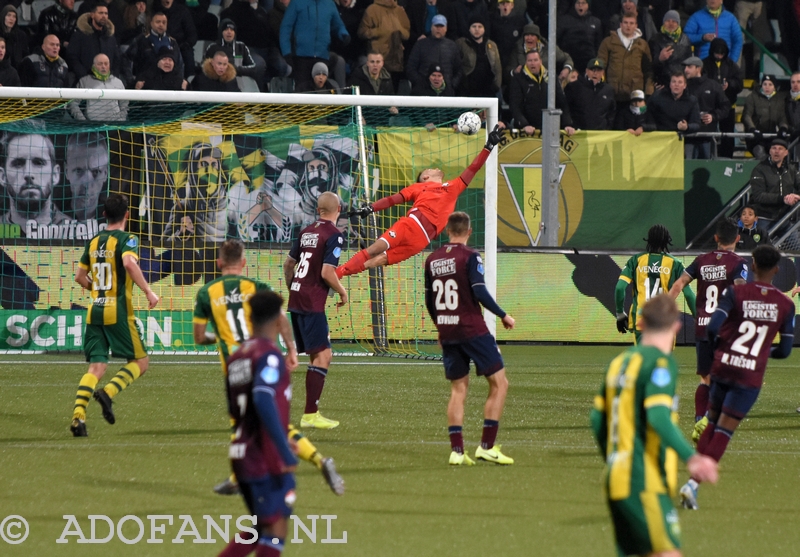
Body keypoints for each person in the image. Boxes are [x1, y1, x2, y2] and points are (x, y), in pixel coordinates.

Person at [194, 238, 344, 496]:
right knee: (264, 418)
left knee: (247, 423)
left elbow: (198, 337)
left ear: (219, 262)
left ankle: (248, 476)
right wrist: (292, 348)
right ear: (243, 262)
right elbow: (280, 317)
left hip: (238, 367)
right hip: (266, 358)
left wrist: (216, 337)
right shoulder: (256, 287)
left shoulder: (207, 292)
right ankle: (315, 461)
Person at [591, 294, 719, 556]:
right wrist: (692, 458)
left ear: (642, 323)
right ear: (676, 326)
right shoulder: (661, 363)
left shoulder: (619, 362)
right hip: (642, 479)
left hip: (616, 476)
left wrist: (614, 457)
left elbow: (597, 420)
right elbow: (658, 416)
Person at [679, 245, 793, 510]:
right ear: (776, 269)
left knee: (711, 423)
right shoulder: (785, 305)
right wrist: (761, 354)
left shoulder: (735, 293)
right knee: (723, 431)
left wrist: (721, 349)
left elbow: (713, 328)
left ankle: (691, 476)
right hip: (748, 376)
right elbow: (785, 350)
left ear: (753, 265)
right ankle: (693, 484)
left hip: (723, 366)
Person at [336, 126, 504, 279]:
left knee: (379, 260)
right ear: (425, 178)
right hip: (410, 225)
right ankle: (339, 272)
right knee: (375, 250)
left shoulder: (452, 187)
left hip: (422, 240)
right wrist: (371, 208)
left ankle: (340, 274)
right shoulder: (419, 187)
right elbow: (393, 199)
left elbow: (473, 168)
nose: (435, 168)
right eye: (429, 170)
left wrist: (488, 147)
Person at [424, 211, 516, 466]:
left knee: (458, 389)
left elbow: (430, 301)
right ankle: (486, 447)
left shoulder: (432, 259)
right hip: (472, 329)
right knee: (500, 383)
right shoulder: (470, 257)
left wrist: (440, 328)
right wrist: (503, 315)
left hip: (448, 330)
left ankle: (456, 451)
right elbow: (479, 291)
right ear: (469, 231)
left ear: (446, 230)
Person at [69, 193, 160, 437]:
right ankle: (108, 393)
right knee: (141, 362)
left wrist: (96, 289)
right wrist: (149, 291)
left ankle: (79, 418)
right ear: (127, 215)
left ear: (104, 214)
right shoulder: (128, 239)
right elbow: (130, 264)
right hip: (117, 311)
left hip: (94, 311)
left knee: (96, 367)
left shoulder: (94, 241)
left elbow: (79, 277)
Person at [215, 290, 298, 557]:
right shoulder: (270, 356)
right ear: (278, 321)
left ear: (250, 319)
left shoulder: (237, 357)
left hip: (240, 450)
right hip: (264, 455)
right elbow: (263, 397)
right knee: (276, 527)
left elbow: (233, 408)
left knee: (262, 526)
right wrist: (284, 450)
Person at [667, 219, 747, 443]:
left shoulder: (701, 260)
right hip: (726, 328)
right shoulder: (739, 263)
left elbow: (678, 285)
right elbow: (741, 289)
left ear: (716, 238)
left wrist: (663, 310)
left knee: (706, 379)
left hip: (702, 327)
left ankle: (700, 418)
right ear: (737, 239)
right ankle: (709, 422)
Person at [282, 192, 348, 430]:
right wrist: (342, 291)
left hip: (297, 296)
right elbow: (327, 273)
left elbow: (289, 265)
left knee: (315, 354)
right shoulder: (334, 236)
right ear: (338, 208)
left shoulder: (306, 231)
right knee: (324, 355)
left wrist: (293, 288)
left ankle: (308, 412)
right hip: (312, 301)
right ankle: (310, 414)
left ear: (318, 209)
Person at [615, 224, 697, 343]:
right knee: (662, 359)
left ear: (648, 239)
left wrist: (620, 313)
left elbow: (619, 288)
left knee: (644, 360)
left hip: (641, 319)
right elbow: (689, 295)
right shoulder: (675, 264)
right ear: (666, 241)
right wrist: (698, 318)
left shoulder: (636, 260)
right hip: (665, 320)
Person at [0, 133, 69, 233]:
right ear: (3, 176)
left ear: (55, 174)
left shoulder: (80, 235)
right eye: (18, 164)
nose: (28, 173)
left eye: (38, 163)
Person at [279, 0, 350, 88]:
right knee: (302, 92)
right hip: (301, 57)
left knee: (321, 93)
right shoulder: (297, 2)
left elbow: (338, 25)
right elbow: (285, 27)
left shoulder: (329, 4)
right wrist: (286, 52)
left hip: (322, 56)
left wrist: (344, 34)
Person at [508, 50, 575, 135]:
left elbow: (562, 102)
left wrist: (567, 124)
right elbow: (514, 105)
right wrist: (524, 124)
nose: (533, 63)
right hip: (527, 130)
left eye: (535, 60)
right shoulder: (518, 79)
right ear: (526, 62)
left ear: (540, 61)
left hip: (549, 129)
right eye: (530, 60)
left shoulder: (551, 77)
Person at [597, 11, 654, 108]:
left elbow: (648, 70)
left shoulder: (643, 45)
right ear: (620, 24)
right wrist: (602, 89)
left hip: (635, 95)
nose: (628, 26)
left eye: (631, 23)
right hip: (612, 94)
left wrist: (648, 92)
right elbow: (600, 67)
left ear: (636, 25)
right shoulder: (608, 42)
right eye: (625, 22)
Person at [748, 138, 800, 233]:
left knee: (795, 246)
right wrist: (783, 199)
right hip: (764, 218)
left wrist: (797, 196)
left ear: (786, 153)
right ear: (770, 151)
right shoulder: (760, 169)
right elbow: (758, 196)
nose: (777, 151)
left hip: (784, 218)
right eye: (774, 148)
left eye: (780, 149)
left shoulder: (791, 169)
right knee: (762, 246)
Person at [67, 3, 128, 83]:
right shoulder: (80, 35)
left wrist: (113, 76)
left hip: (108, 82)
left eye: (106, 13)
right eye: (101, 13)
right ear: (92, 15)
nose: (104, 16)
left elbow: (116, 59)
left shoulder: (110, 37)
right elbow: (72, 57)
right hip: (84, 81)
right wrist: (84, 76)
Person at [703, 37, 742, 158]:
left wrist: (729, 85)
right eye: (717, 53)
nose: (719, 56)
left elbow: (739, 84)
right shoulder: (704, 64)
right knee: (708, 134)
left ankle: (727, 158)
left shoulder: (732, 66)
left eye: (721, 54)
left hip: (728, 106)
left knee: (728, 135)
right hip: (709, 106)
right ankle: (708, 157)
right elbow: (701, 81)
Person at [684, 56, 728, 159]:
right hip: (687, 136)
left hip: (707, 136)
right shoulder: (683, 86)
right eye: (685, 67)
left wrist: (713, 116)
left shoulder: (713, 86)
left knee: (707, 165)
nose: (686, 70)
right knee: (686, 167)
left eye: (689, 67)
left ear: (698, 68)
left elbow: (725, 106)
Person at [357, 0, 410, 86]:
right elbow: (362, 32)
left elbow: (407, 35)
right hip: (378, 60)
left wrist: (400, 30)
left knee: (393, 93)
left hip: (396, 59)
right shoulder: (372, 9)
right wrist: (379, 31)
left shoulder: (399, 11)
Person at [405, 14, 462, 93]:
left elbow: (459, 70)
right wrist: (420, 83)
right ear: (431, 27)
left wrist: (451, 85)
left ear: (446, 28)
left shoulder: (452, 46)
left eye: (441, 26)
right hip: (423, 92)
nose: (438, 29)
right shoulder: (421, 44)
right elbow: (411, 68)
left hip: (446, 92)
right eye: (436, 26)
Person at [507, 23, 573, 87]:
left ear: (538, 38)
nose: (529, 38)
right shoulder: (518, 50)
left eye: (532, 35)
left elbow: (567, 58)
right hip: (525, 88)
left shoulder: (549, 49)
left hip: (546, 86)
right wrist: (514, 71)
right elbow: (508, 71)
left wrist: (566, 69)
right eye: (527, 35)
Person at [743, 75, 790, 160]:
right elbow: (747, 116)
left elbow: (782, 117)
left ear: (774, 87)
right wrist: (753, 129)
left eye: (770, 84)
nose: (767, 87)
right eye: (765, 84)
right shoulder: (752, 97)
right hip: (755, 138)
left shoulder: (779, 100)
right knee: (760, 153)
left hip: (771, 136)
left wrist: (783, 128)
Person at [68, 53, 128, 121]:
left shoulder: (118, 82)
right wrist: (83, 122)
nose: (103, 66)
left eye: (106, 64)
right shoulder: (84, 81)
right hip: (93, 127)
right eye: (100, 64)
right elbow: (72, 103)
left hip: (115, 126)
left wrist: (121, 120)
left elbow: (124, 104)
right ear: (93, 66)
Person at [65, 132, 109, 222]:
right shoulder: (51, 219)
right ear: (66, 171)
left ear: (105, 173)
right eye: (79, 171)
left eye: (95, 172)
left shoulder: (115, 220)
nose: (86, 184)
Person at [125, 12, 184, 79]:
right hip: (146, 83)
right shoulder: (141, 40)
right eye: (158, 22)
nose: (161, 25)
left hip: (169, 83)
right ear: (151, 23)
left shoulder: (173, 43)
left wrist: (180, 81)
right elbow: (127, 60)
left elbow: (180, 65)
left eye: (164, 22)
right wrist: (131, 80)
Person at [205, 19, 262, 86]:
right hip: (215, 85)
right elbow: (206, 67)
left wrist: (232, 69)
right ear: (221, 32)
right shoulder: (212, 47)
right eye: (226, 29)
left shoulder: (241, 47)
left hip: (238, 86)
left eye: (232, 30)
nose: (229, 32)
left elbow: (253, 68)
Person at [455, 16, 501, 98]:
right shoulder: (461, 43)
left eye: (480, 26)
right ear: (469, 29)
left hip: (488, 89)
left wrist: (496, 86)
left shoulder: (492, 45)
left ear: (484, 29)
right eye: (474, 26)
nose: (477, 29)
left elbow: (497, 67)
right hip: (467, 89)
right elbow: (457, 66)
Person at [564, 57, 616, 130]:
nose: (595, 73)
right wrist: (569, 124)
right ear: (587, 71)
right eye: (592, 70)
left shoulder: (608, 90)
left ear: (603, 72)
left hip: (600, 134)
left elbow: (611, 112)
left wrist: (607, 128)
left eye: (598, 70)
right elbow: (566, 107)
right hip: (578, 133)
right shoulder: (574, 87)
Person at [647, 72, 701, 139]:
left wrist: (687, 127)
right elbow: (648, 116)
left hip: (682, 140)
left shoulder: (691, 100)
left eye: (680, 82)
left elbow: (697, 124)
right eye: (674, 82)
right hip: (660, 138)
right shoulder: (657, 98)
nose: (676, 85)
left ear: (685, 85)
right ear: (670, 84)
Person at [556, 0, 603, 74]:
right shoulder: (564, 20)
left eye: (583, 3)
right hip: (569, 61)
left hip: (588, 62)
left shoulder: (596, 22)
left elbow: (598, 44)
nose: (580, 5)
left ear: (588, 5)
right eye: (578, 3)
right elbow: (556, 40)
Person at [650, 9, 693, 88]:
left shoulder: (685, 39)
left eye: (674, 21)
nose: (671, 23)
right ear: (663, 22)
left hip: (681, 82)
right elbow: (650, 64)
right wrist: (660, 59)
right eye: (668, 21)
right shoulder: (655, 39)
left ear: (678, 23)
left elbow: (689, 62)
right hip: (662, 83)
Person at [156, 0, 197, 78]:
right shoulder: (154, 10)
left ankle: (188, 81)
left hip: (181, 46)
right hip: (159, 45)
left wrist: (185, 44)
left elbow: (192, 33)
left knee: (188, 54)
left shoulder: (183, 11)